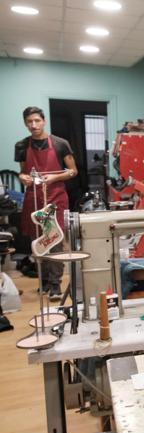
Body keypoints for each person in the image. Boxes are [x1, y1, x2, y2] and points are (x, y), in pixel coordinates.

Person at [15, 106, 78, 300]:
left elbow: (73, 171)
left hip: (55, 198)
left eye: (37, 121)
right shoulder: (21, 146)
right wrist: (22, 177)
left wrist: (54, 178)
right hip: (34, 198)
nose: (33, 125)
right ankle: (43, 282)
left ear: (44, 121)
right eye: (29, 122)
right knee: (37, 242)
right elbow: (23, 171)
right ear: (26, 124)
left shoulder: (60, 144)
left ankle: (55, 284)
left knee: (55, 240)